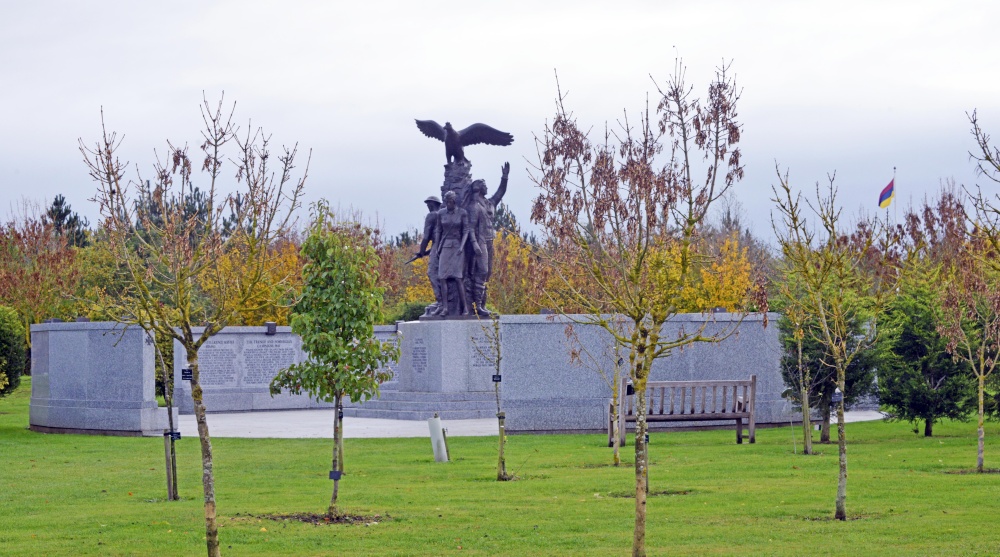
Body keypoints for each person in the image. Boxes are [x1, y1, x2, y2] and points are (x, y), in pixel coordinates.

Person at [466, 162, 509, 311]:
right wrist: (475, 244)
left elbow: (500, 192)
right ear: (478, 188)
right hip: (480, 241)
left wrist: (505, 177)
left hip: (490, 241)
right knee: (482, 271)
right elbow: (470, 227)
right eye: (484, 184)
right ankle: (477, 305)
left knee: (488, 273)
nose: (487, 187)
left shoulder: (490, 203)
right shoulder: (473, 206)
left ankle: (482, 304)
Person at [434, 191, 479, 316]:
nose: (448, 204)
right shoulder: (441, 213)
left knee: (458, 278)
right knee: (442, 277)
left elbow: (466, 230)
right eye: (446, 202)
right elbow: (438, 230)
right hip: (445, 246)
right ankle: (445, 308)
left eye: (450, 202)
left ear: (454, 201)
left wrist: (462, 246)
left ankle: (465, 308)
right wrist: (437, 246)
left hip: (458, 247)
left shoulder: (462, 213)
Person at [415, 196, 443, 314]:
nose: (428, 206)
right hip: (443, 247)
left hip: (437, 247)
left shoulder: (432, 215)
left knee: (432, 273)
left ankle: (440, 301)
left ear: (433, 204)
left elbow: (426, 237)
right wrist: (426, 252)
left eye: (429, 204)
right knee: (442, 275)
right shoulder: (443, 215)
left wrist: (421, 251)